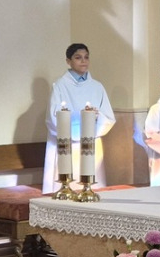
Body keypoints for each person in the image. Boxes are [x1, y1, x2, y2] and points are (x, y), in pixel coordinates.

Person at [44, 43, 116, 187]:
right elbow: (53, 117)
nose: (83, 61)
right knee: (67, 184)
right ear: (68, 61)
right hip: (67, 144)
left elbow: (108, 117)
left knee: (89, 184)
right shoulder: (60, 86)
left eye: (86, 57)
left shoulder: (97, 87)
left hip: (90, 144)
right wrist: (75, 130)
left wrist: (97, 116)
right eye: (78, 57)